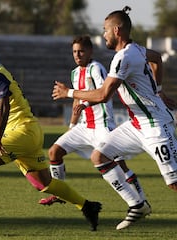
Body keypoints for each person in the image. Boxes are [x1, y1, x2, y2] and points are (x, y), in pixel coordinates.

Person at [0, 35, 102, 231]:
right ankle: (87, 206)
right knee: (43, 183)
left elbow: (3, 102)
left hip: (21, 131)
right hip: (30, 132)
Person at [52, 6, 177, 230]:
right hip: (136, 124)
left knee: (174, 182)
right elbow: (156, 58)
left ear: (117, 30)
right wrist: (158, 90)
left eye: (105, 31)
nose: (104, 35)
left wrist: (69, 93)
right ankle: (137, 204)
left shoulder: (123, 58)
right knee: (99, 156)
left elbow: (103, 95)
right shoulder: (137, 49)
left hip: (156, 126)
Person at [39, 35, 147, 206]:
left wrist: (86, 103)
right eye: (74, 52)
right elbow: (76, 99)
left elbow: (105, 93)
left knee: (120, 164)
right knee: (54, 152)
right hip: (83, 127)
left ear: (90, 51)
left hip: (102, 126)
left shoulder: (96, 68)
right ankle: (59, 193)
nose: (77, 55)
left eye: (81, 51)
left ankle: (140, 199)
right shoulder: (75, 73)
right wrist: (72, 126)